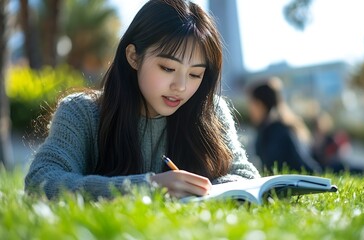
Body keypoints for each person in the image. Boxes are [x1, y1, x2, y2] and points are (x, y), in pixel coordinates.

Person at [25, 0, 260, 200]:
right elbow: (41, 180)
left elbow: (246, 177)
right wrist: (148, 187)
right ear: (133, 57)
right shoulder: (82, 112)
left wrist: (202, 190)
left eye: (195, 74)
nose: (181, 86)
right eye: (168, 68)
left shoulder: (211, 110)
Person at [246, 77, 322, 174]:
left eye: (251, 104)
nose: (249, 110)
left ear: (260, 105)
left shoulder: (276, 131)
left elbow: (303, 166)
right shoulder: (274, 129)